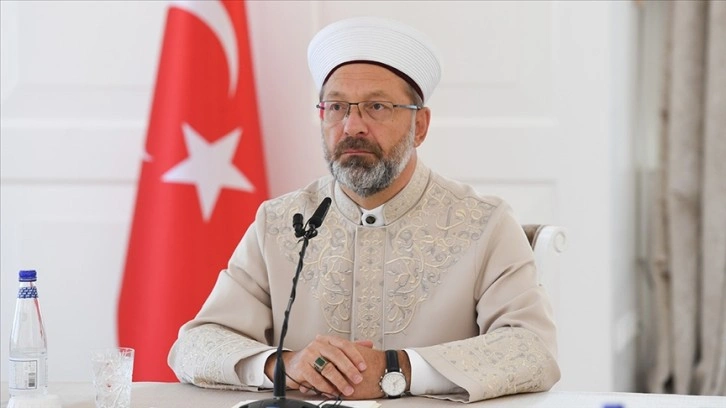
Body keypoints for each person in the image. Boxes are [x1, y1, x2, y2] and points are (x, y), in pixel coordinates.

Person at [168, 16, 560, 403]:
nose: (352, 126)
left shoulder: (485, 223)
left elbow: (533, 350)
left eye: (376, 106)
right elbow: (194, 346)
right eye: (336, 107)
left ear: (420, 126)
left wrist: (396, 370)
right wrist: (284, 365)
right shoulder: (279, 222)